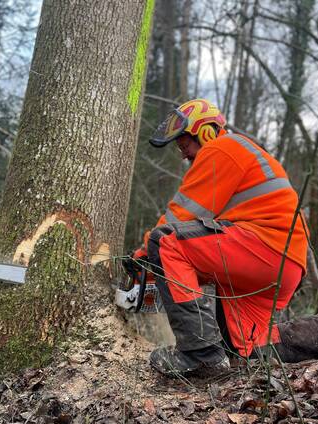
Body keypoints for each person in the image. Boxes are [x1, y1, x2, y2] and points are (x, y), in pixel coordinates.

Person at [133, 98, 317, 378]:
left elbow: (180, 217)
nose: (183, 155)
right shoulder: (240, 153)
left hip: (265, 249)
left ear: (205, 132)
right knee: (246, 347)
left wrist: (143, 254)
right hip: (283, 263)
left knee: (166, 242)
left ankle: (200, 355)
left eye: (185, 144)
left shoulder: (222, 148)